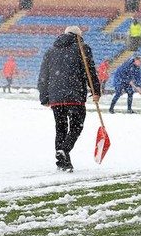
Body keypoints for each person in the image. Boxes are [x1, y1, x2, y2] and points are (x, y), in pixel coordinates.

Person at [38, 26, 100, 172]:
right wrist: (96, 91)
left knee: (60, 128)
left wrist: (44, 96)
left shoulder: (50, 51)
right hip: (75, 95)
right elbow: (89, 72)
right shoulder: (82, 48)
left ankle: (63, 161)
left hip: (56, 97)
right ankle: (64, 150)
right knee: (76, 127)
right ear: (78, 36)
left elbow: (43, 76)